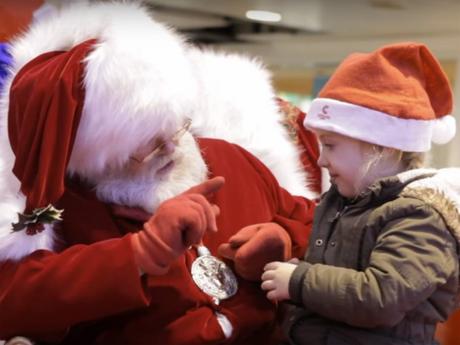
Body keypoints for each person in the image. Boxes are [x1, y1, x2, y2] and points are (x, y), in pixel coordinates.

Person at [0, 2, 317, 344]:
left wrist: (285, 238)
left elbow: (321, 222)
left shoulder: (233, 160)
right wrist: (138, 253)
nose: (171, 147)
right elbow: (12, 302)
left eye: (176, 126)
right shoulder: (56, 206)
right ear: (97, 154)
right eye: (147, 143)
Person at [261, 42, 460, 345]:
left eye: (330, 145)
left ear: (381, 147)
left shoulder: (419, 215)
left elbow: (383, 296)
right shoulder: (347, 201)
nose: (321, 160)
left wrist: (300, 280)